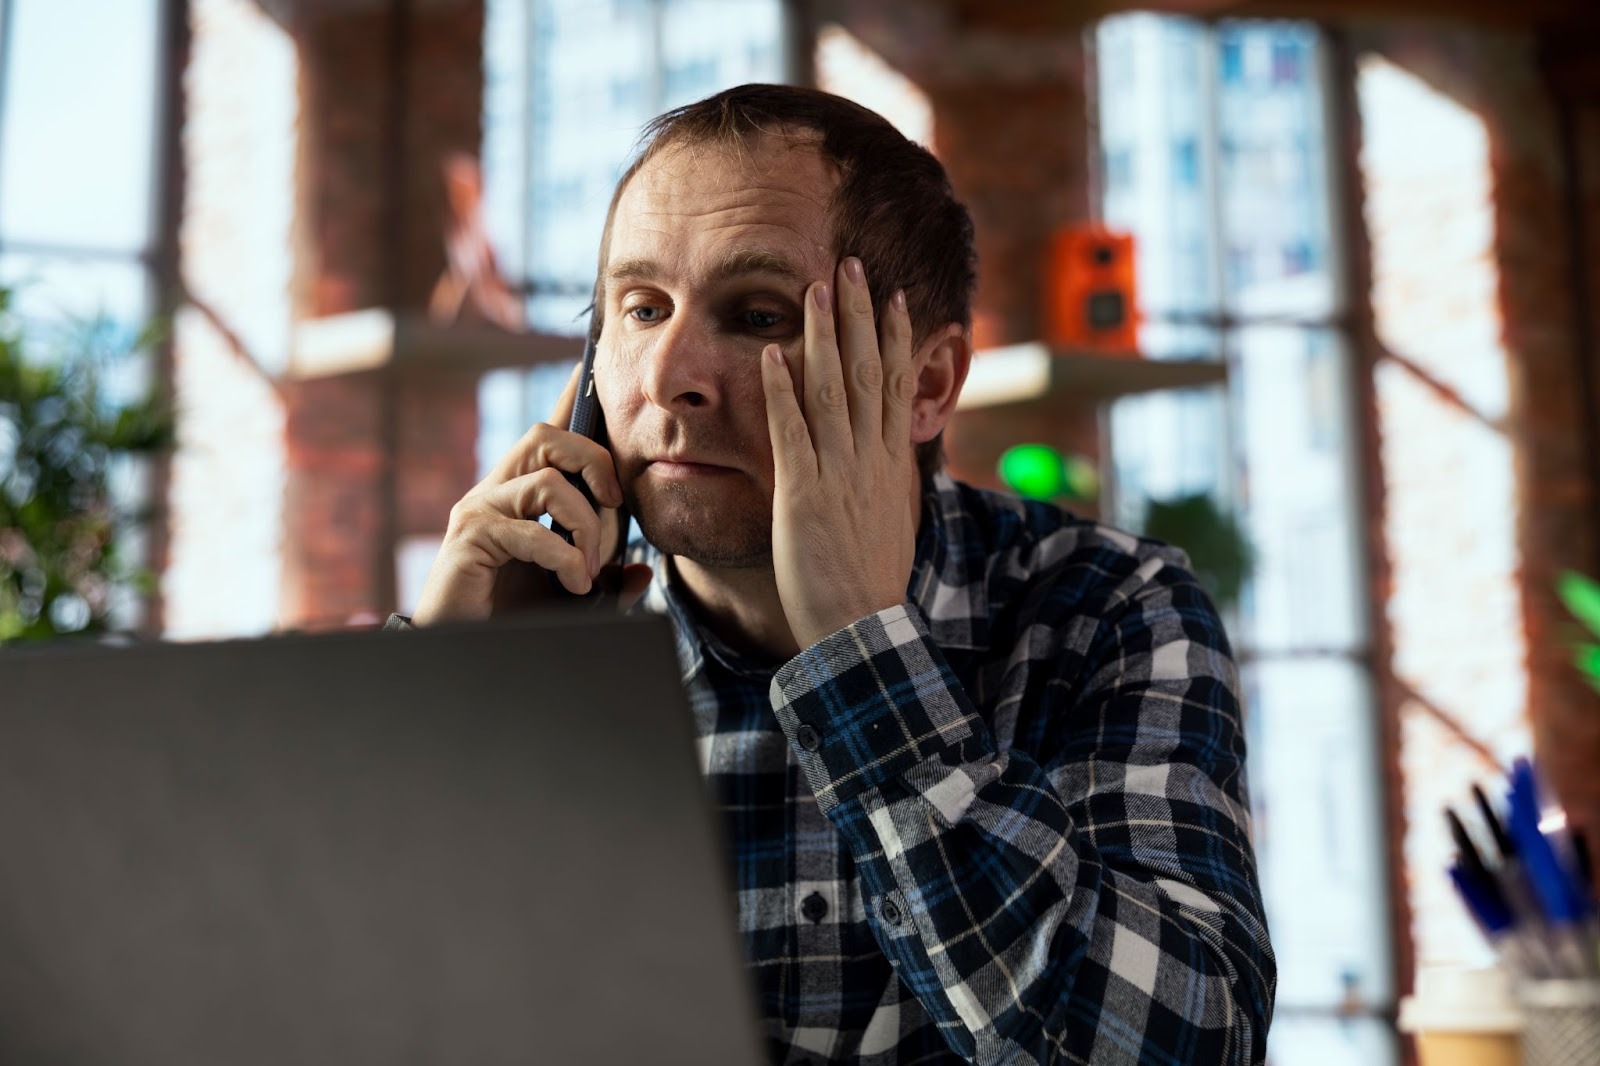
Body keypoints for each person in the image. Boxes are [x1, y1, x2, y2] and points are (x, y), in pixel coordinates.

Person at [397, 84, 1275, 1064]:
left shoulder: (1108, 607)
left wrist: (863, 658)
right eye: (640, 308)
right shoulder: (532, 642)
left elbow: (1191, 1046)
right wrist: (442, 702)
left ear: (926, 384)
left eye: (758, 313)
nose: (665, 374)